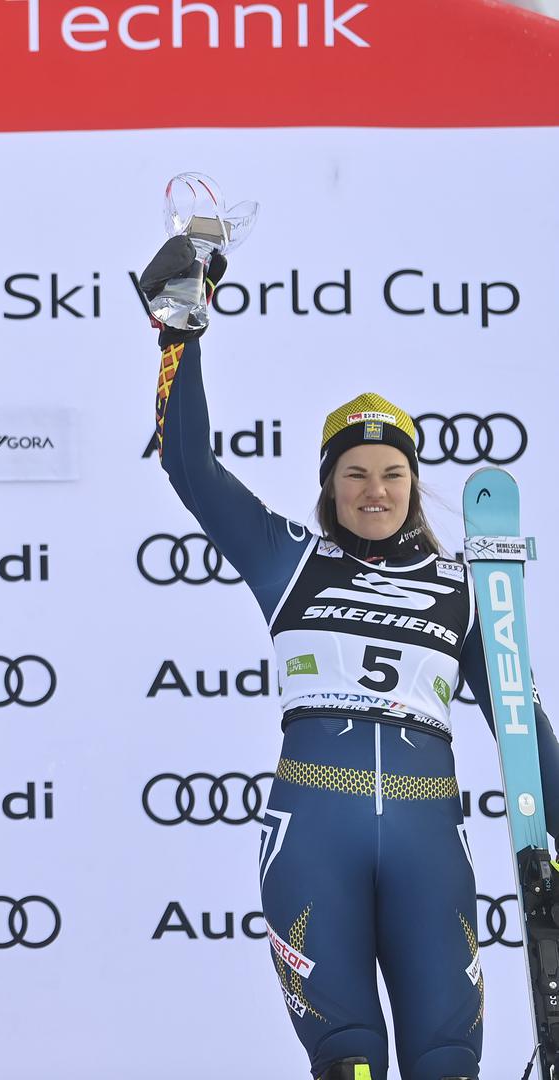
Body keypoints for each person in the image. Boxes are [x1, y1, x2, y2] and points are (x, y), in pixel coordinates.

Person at [140, 238, 559, 1080]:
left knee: (446, 1060)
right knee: (348, 1062)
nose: (376, 490)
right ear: (330, 485)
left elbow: (523, 730)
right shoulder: (288, 559)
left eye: (393, 473)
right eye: (356, 473)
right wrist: (181, 333)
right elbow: (189, 466)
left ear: (414, 483)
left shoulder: (465, 587)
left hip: (426, 836)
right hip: (313, 832)